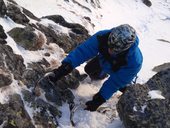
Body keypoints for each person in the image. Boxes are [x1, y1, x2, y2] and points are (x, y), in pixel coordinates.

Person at [47, 24, 143, 111]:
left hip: (120, 71)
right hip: (104, 61)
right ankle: (103, 74)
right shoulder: (102, 36)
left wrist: (100, 98)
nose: (110, 50)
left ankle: (126, 86)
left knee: (122, 87)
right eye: (109, 46)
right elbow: (83, 52)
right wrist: (66, 66)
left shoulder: (134, 62)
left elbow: (115, 82)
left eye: (114, 50)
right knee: (88, 69)